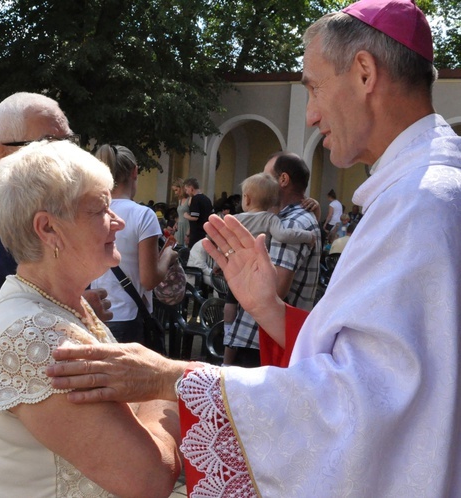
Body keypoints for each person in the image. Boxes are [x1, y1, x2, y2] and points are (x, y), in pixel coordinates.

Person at [47, 0, 461, 495]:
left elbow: (361, 405)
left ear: (365, 72)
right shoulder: (420, 192)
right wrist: (269, 307)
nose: (310, 115)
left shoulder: (421, 204)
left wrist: (174, 377)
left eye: (313, 86)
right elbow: (382, 366)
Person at [0, 138, 180, 497]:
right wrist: (165, 387)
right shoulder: (33, 335)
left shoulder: (65, 306)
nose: (117, 223)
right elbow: (148, 477)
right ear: (47, 228)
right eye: (100, 210)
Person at [0, 92, 112, 497]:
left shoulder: (72, 232)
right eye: (51, 144)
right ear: (2, 154)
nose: (67, 154)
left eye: (69, 141)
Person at [222, 171, 319, 366]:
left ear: (246, 199)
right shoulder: (271, 219)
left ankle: (227, 333)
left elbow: (223, 241)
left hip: (234, 270)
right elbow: (283, 235)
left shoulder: (236, 218)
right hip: (255, 272)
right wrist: (307, 236)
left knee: (230, 302)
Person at [91, 144, 179, 344]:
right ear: (135, 171)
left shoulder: (91, 212)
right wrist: (168, 256)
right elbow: (149, 279)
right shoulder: (143, 215)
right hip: (128, 317)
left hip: (95, 313)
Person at [182, 177, 213, 248]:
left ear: (191, 188)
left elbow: (195, 217)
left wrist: (186, 215)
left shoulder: (195, 199)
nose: (186, 192)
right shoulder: (206, 199)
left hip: (197, 233)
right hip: (206, 231)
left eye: (186, 190)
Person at [170, 177, 190, 246]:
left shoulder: (189, 199)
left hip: (187, 226)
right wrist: (176, 223)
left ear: (181, 187)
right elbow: (180, 214)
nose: (175, 192)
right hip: (179, 227)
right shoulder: (180, 200)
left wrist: (189, 232)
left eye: (176, 190)